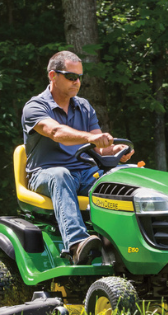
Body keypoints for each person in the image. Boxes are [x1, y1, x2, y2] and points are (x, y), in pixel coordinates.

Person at [21, 51, 133, 264]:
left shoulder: (83, 106)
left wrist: (115, 150)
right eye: (71, 77)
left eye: (80, 77)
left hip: (85, 172)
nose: (77, 82)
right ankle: (77, 244)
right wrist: (90, 138)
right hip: (45, 174)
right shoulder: (35, 107)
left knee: (126, 177)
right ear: (53, 76)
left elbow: (99, 148)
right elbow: (55, 132)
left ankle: (126, 244)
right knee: (60, 175)